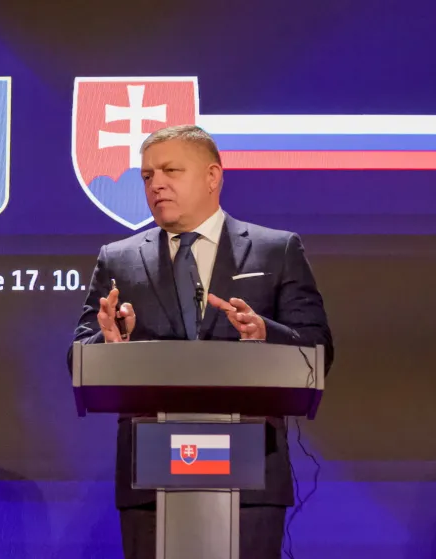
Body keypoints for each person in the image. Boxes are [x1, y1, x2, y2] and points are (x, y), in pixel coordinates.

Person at [69, 124, 334, 559]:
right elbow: (77, 356)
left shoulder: (276, 250)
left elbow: (319, 348)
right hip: (149, 475)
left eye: (171, 170)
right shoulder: (118, 258)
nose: (156, 184)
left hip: (251, 472)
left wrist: (267, 333)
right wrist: (110, 340)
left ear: (213, 176)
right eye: (147, 176)